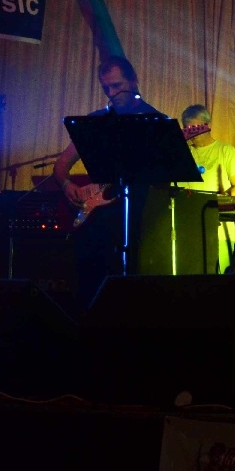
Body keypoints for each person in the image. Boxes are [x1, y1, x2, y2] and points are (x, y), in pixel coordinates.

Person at [50, 56, 163, 308]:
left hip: (137, 218)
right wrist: (67, 185)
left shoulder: (155, 120)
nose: (111, 93)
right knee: (88, 286)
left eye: (117, 85)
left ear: (133, 81)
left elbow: (164, 179)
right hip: (97, 220)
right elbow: (61, 164)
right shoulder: (96, 121)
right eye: (106, 88)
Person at [179, 104, 235, 272]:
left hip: (219, 231)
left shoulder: (225, 151)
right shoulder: (183, 154)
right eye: (187, 128)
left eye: (194, 127)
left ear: (206, 125)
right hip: (188, 229)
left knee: (217, 277)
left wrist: (219, 201)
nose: (191, 132)